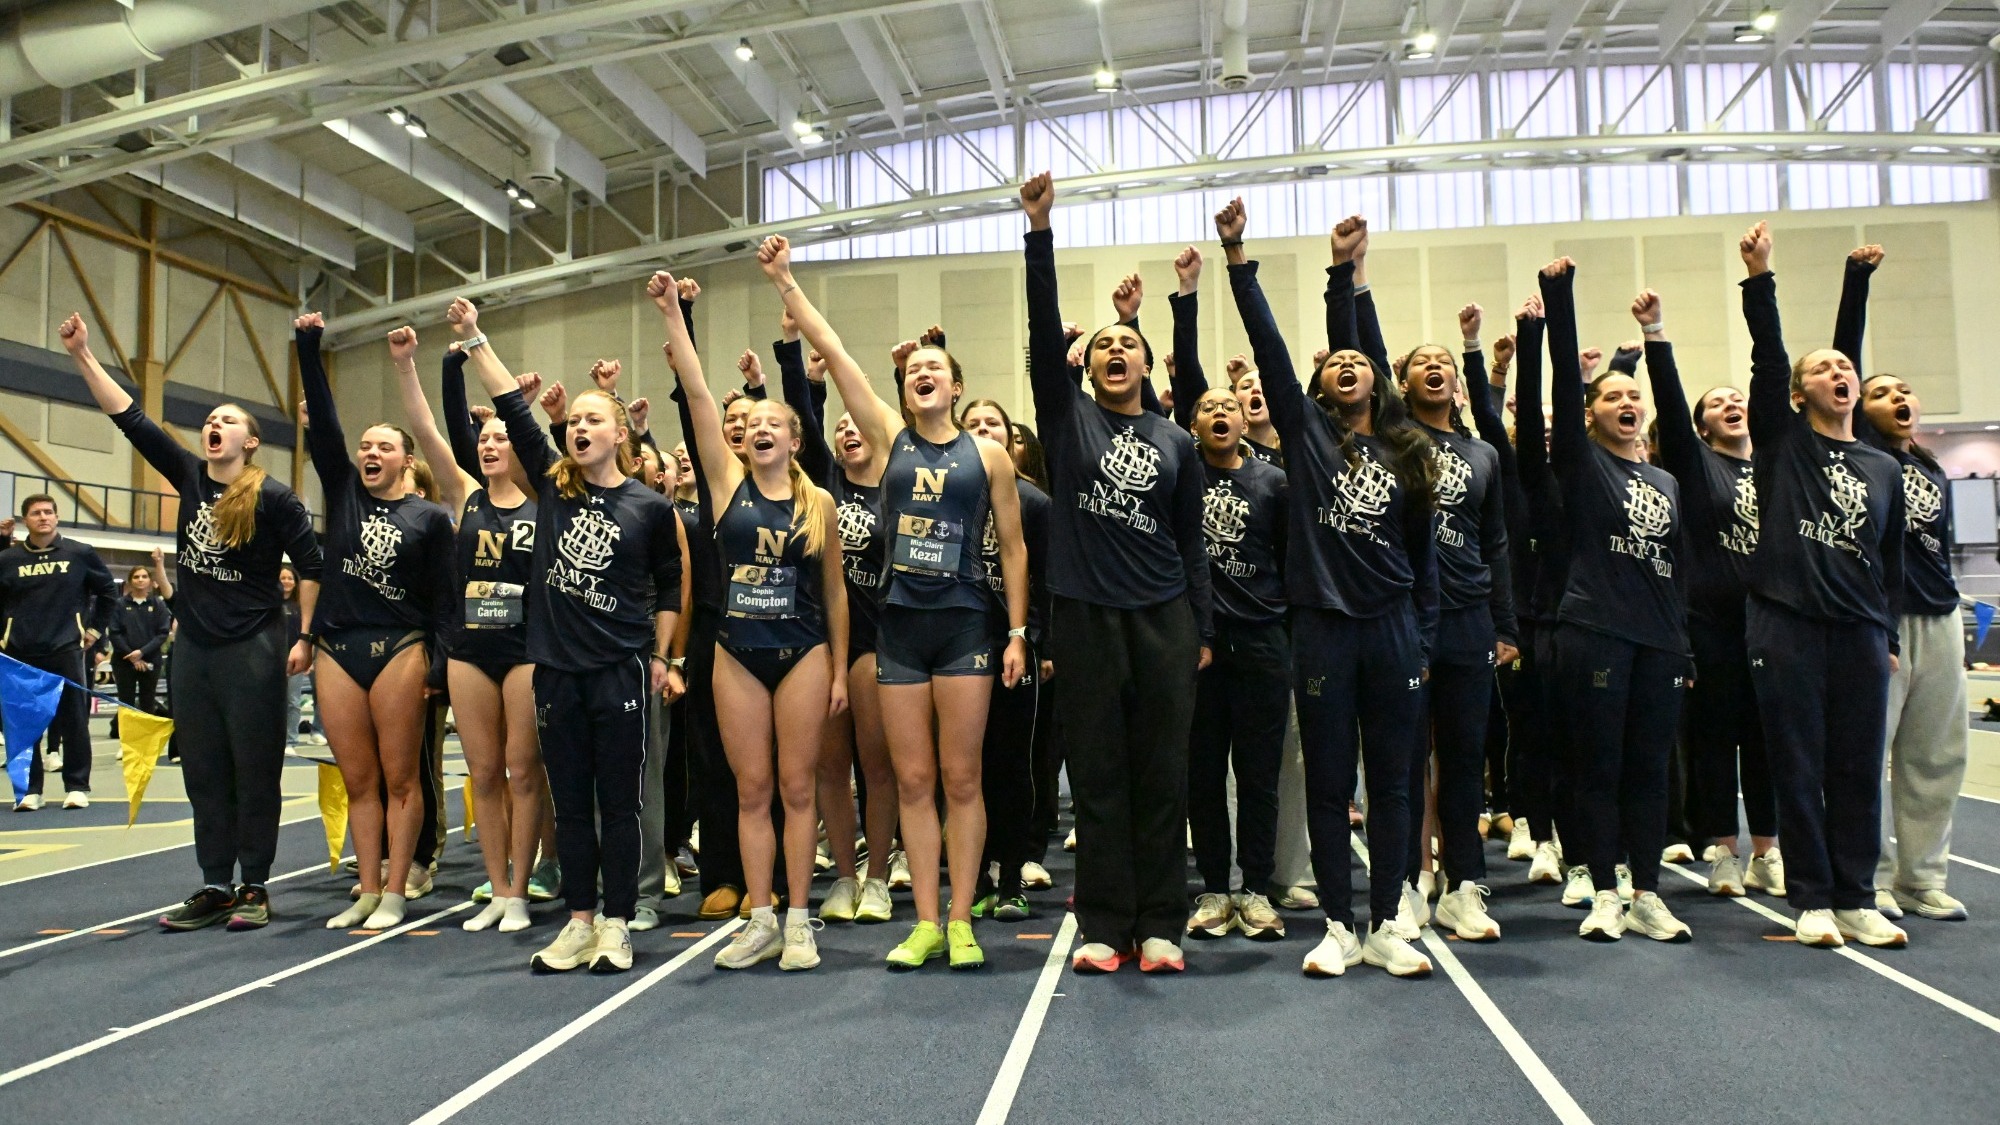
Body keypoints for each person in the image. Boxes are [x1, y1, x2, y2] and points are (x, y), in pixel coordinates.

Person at [758, 237, 1028, 971]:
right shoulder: (887, 437)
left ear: (957, 383)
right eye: (913, 372)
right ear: (903, 387)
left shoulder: (989, 456)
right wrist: (787, 283)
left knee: (961, 777)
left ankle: (965, 916)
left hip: (968, 625)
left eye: (935, 369)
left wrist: (1017, 632)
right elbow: (835, 350)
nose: (922, 376)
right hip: (902, 632)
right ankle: (928, 920)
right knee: (912, 779)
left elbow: (1013, 547)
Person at [1218, 205, 1434, 979]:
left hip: (1393, 628)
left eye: (1361, 361)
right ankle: (1340, 923)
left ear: (1381, 376)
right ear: (1317, 386)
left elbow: (1423, 553)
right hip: (1322, 630)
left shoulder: (1408, 448)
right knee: (1331, 776)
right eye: (1335, 363)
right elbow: (1271, 349)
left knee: (1396, 780)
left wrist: (1424, 633)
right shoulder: (1308, 437)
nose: (1348, 366)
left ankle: (1385, 919)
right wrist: (1239, 255)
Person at [61, 313, 321, 931]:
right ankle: (214, 883)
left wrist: (306, 635)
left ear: (250, 442)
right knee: (204, 769)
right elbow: (130, 419)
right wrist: (82, 356)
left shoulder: (275, 497)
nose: (214, 425)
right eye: (211, 420)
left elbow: (312, 565)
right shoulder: (187, 474)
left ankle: (255, 884)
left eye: (229, 421)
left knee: (253, 769)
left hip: (255, 644)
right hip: (196, 648)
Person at [453, 295, 686, 974]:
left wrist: (664, 656)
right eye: (574, 420)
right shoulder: (555, 490)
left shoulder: (649, 506)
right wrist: (474, 338)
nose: (580, 427)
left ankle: (617, 921)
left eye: (594, 419)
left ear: (620, 434)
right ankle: (579, 919)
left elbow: (671, 586)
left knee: (619, 805)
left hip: (619, 670)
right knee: (571, 806)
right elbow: (513, 406)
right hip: (554, 670)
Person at [1021, 173, 1213, 975]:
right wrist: (1040, 231)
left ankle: (1161, 921)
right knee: (1099, 777)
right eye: (1103, 345)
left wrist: (1201, 629)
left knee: (1160, 776)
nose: (1114, 352)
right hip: (1087, 616)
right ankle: (1104, 921)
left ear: (1145, 363)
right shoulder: (1068, 425)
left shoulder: (1175, 440)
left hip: (1164, 619)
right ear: (1087, 363)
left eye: (1126, 344)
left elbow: (1193, 541)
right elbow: (1040, 331)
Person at [658, 270, 845, 972]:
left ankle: (799, 918)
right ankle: (759, 914)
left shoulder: (818, 503)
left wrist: (839, 671)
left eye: (775, 423)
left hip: (802, 651)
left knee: (798, 789)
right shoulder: (724, 484)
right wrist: (675, 315)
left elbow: (834, 594)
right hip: (735, 652)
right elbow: (702, 398)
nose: (760, 428)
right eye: (753, 425)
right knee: (752, 789)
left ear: (795, 438)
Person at [1735, 221, 1908, 950]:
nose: (1840, 373)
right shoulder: (1783, 444)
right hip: (1788, 623)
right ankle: (1810, 896)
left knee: (1859, 767)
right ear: (1803, 393)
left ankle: (1856, 893)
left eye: (1848, 367)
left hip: (1861, 632)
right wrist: (1760, 277)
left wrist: (1889, 636)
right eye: (1825, 368)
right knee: (1798, 764)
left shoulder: (1882, 467)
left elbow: (1890, 563)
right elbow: (1771, 363)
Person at [1537, 265, 1694, 944]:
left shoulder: (1664, 477)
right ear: (1591, 413)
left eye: (1635, 397)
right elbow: (1563, 394)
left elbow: (1679, 566)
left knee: (1649, 768)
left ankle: (1649, 891)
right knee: (1597, 765)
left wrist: (1682, 642)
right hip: (1595, 630)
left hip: (1658, 640)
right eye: (1613, 397)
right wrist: (1560, 300)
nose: (1628, 403)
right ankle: (1604, 887)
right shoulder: (1583, 461)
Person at [292, 316, 458, 931]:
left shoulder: (430, 519)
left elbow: (445, 600)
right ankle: (365, 888)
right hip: (340, 647)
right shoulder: (344, 494)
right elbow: (326, 429)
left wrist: (439, 666)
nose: (369, 453)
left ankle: (395, 888)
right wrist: (308, 346)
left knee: (400, 778)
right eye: (365, 446)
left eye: (384, 447)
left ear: (405, 460)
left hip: (401, 648)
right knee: (358, 781)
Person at [391, 333, 549, 935]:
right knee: (482, 773)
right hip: (470, 650)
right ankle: (499, 886)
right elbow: (426, 426)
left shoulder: (545, 503)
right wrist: (410, 365)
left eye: (500, 438)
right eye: (483, 439)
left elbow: (524, 428)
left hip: (525, 651)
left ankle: (522, 888)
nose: (488, 445)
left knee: (524, 770)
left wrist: (510, 396)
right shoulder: (465, 495)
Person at [1160, 245, 1292, 944]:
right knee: (1205, 774)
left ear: (1245, 419)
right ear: (1193, 421)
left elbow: (1293, 564)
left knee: (1261, 775)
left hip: (1264, 643)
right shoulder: (1181, 474)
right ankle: (1214, 888)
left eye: (1228, 405)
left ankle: (1259, 888)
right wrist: (1187, 294)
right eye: (1205, 405)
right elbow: (1185, 381)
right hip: (1199, 649)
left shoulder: (1274, 482)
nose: (1216, 411)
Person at [1839, 247, 1971, 924]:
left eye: (1905, 390)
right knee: (1871, 753)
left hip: (1940, 616)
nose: (1899, 398)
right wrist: (1857, 283)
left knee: (1937, 752)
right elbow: (1845, 358)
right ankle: (1875, 875)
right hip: (1880, 620)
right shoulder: (1859, 457)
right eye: (1882, 391)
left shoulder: (1930, 465)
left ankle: (1924, 874)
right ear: (1859, 407)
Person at [1392, 300, 1517, 941]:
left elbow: (1496, 543)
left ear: (1457, 383)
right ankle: (1412, 882)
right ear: (1402, 379)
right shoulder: (1391, 443)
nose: (1435, 367)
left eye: (1444, 361)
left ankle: (1463, 884)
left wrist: (1506, 625)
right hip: (1407, 615)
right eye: (1422, 363)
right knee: (1408, 757)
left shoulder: (1483, 454)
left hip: (1469, 617)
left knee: (1465, 757)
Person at [1643, 297, 1776, 900]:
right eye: (1715, 402)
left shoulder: (1777, 470)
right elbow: (1669, 408)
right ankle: (1724, 849)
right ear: (1701, 427)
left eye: (1736, 399)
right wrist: (1657, 336)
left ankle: (1767, 851)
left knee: (1770, 741)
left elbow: (1771, 381)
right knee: (1719, 740)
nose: (1731, 404)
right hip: (1715, 626)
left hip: (1775, 624)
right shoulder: (1697, 468)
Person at [771, 328, 899, 926]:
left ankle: (878, 875)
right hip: (820, 645)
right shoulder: (823, 485)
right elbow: (801, 405)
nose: (849, 431)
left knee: (876, 766)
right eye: (840, 426)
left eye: (858, 424)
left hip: (876, 643)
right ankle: (844, 875)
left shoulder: (898, 486)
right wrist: (793, 351)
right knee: (829, 768)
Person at [960, 396, 1051, 922]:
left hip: (1016, 651)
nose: (983, 431)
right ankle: (974, 878)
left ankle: (1012, 875)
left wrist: (1038, 641)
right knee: (965, 770)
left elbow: (1048, 580)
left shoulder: (1034, 503)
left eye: (992, 424)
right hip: (960, 648)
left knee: (1013, 765)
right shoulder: (954, 498)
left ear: (1012, 439)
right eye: (972, 425)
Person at [0, 494, 117, 810]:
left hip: (65, 649)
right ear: (26, 520)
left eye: (49, 512)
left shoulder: (80, 553)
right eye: (36, 513)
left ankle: (77, 786)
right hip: (19, 653)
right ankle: (29, 791)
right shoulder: (8, 560)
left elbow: (109, 592)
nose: (43, 517)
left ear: (56, 517)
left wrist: (93, 630)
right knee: (23, 724)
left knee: (74, 720)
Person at [108, 560, 173, 732]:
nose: (140, 579)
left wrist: (142, 652)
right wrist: (132, 656)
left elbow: (162, 633)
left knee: (148, 702)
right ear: (130, 581)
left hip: (151, 661)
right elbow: (114, 633)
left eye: (144, 576)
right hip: (124, 662)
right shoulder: (119, 605)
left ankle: (146, 742)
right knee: (126, 702)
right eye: (136, 577)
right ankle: (126, 744)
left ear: (150, 582)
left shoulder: (158, 604)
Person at [277, 564, 322, 746]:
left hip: (294, 660)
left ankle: (291, 740)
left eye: (289, 578)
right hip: (272, 659)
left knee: (293, 701)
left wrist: (308, 658)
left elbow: (307, 634)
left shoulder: (301, 607)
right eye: (282, 578)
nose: (286, 582)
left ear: (296, 583)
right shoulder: (271, 606)